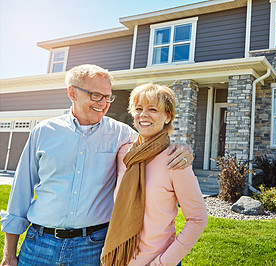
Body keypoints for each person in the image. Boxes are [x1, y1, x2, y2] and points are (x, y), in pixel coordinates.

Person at [0, 64, 193, 266]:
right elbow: (20, 193)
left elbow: (154, 142)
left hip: (93, 247)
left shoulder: (122, 134)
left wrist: (183, 147)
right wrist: (9, 253)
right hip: (39, 245)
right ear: (72, 93)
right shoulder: (44, 131)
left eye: (108, 96)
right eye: (96, 95)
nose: (103, 103)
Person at [101, 83, 207, 266]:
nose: (144, 114)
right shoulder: (123, 153)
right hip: (117, 258)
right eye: (139, 108)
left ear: (167, 116)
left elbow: (197, 219)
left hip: (155, 261)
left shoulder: (175, 160)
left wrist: (163, 263)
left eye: (152, 109)